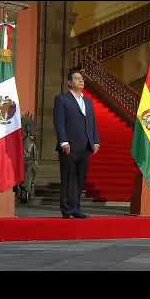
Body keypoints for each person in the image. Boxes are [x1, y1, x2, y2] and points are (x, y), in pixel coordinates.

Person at [53, 68, 100, 219]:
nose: (81, 80)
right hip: (69, 146)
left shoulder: (88, 101)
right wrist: (63, 141)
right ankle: (66, 209)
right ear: (69, 82)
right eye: (77, 78)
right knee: (68, 178)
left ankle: (76, 207)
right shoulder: (62, 99)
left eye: (82, 79)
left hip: (85, 146)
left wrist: (95, 141)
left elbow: (92, 122)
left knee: (80, 178)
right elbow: (59, 123)